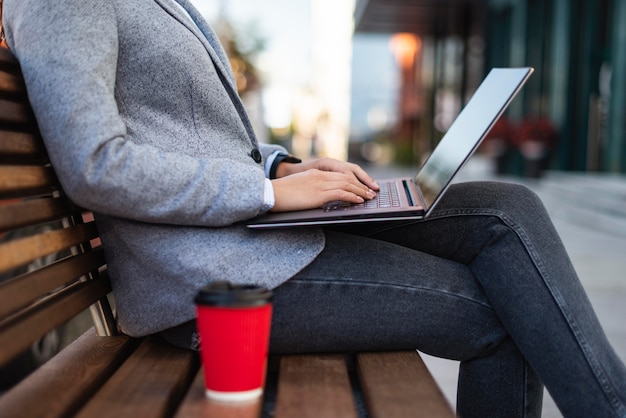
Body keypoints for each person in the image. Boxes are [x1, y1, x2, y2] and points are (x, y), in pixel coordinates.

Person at [3, 1, 625, 417]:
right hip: (211, 280)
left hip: (246, 237)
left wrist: (282, 167)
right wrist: (267, 194)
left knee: (505, 206)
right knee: (504, 312)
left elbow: (195, 135)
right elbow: (96, 165)